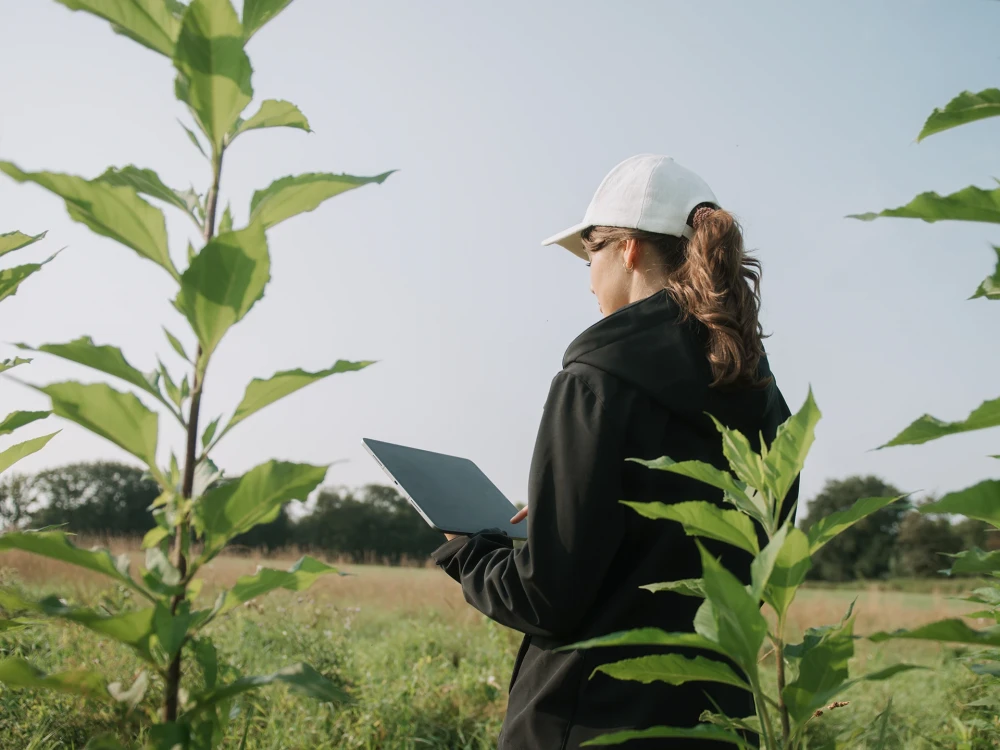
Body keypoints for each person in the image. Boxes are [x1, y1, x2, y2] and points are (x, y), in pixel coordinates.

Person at [432, 154, 795, 749]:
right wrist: (575, 507)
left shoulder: (596, 381)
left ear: (628, 250)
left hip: (586, 723)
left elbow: (547, 598)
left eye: (589, 256)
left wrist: (469, 550)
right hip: (717, 726)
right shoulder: (766, 401)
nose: (588, 278)